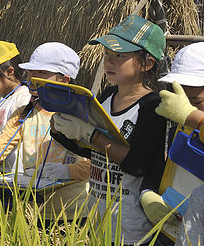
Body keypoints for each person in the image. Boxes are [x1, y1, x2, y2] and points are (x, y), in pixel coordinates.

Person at [51, 15, 167, 245]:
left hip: (131, 228)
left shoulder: (152, 107)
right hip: (99, 221)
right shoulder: (106, 98)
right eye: (106, 54)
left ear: (147, 64)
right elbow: (94, 152)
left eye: (120, 56)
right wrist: (63, 131)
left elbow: (138, 164)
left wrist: (89, 134)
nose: (109, 62)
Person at [0, 42, 90, 225]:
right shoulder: (24, 112)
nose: (32, 78)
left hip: (75, 211)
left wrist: (67, 171)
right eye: (31, 72)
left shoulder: (83, 116)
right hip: (35, 210)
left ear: (64, 80)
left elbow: (99, 163)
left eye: (41, 73)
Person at [147, 42, 204, 246]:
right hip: (171, 231)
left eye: (195, 102)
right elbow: (163, 167)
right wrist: (149, 194)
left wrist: (194, 117)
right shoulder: (180, 125)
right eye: (180, 98)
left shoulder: (188, 117)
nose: (184, 107)